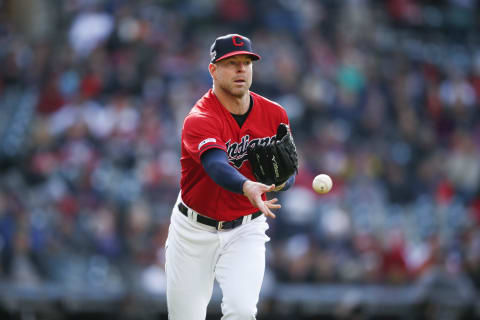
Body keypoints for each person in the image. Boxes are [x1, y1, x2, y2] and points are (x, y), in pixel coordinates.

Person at [165, 34, 296, 320]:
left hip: (245, 229)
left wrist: (283, 181)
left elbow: (289, 172)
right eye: (231, 63)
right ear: (213, 70)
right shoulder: (200, 117)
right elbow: (215, 165)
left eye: (246, 63)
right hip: (193, 231)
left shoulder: (275, 114)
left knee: (242, 311)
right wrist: (246, 184)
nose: (241, 69)